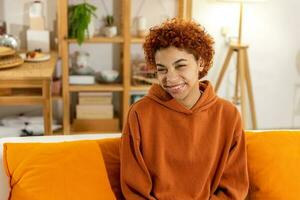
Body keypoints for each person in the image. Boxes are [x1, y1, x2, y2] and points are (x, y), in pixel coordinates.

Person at [120, 18, 249, 200]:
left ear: (201, 63)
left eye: (180, 66)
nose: (170, 78)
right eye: (162, 69)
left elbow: (233, 188)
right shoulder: (140, 114)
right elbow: (135, 190)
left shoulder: (228, 115)